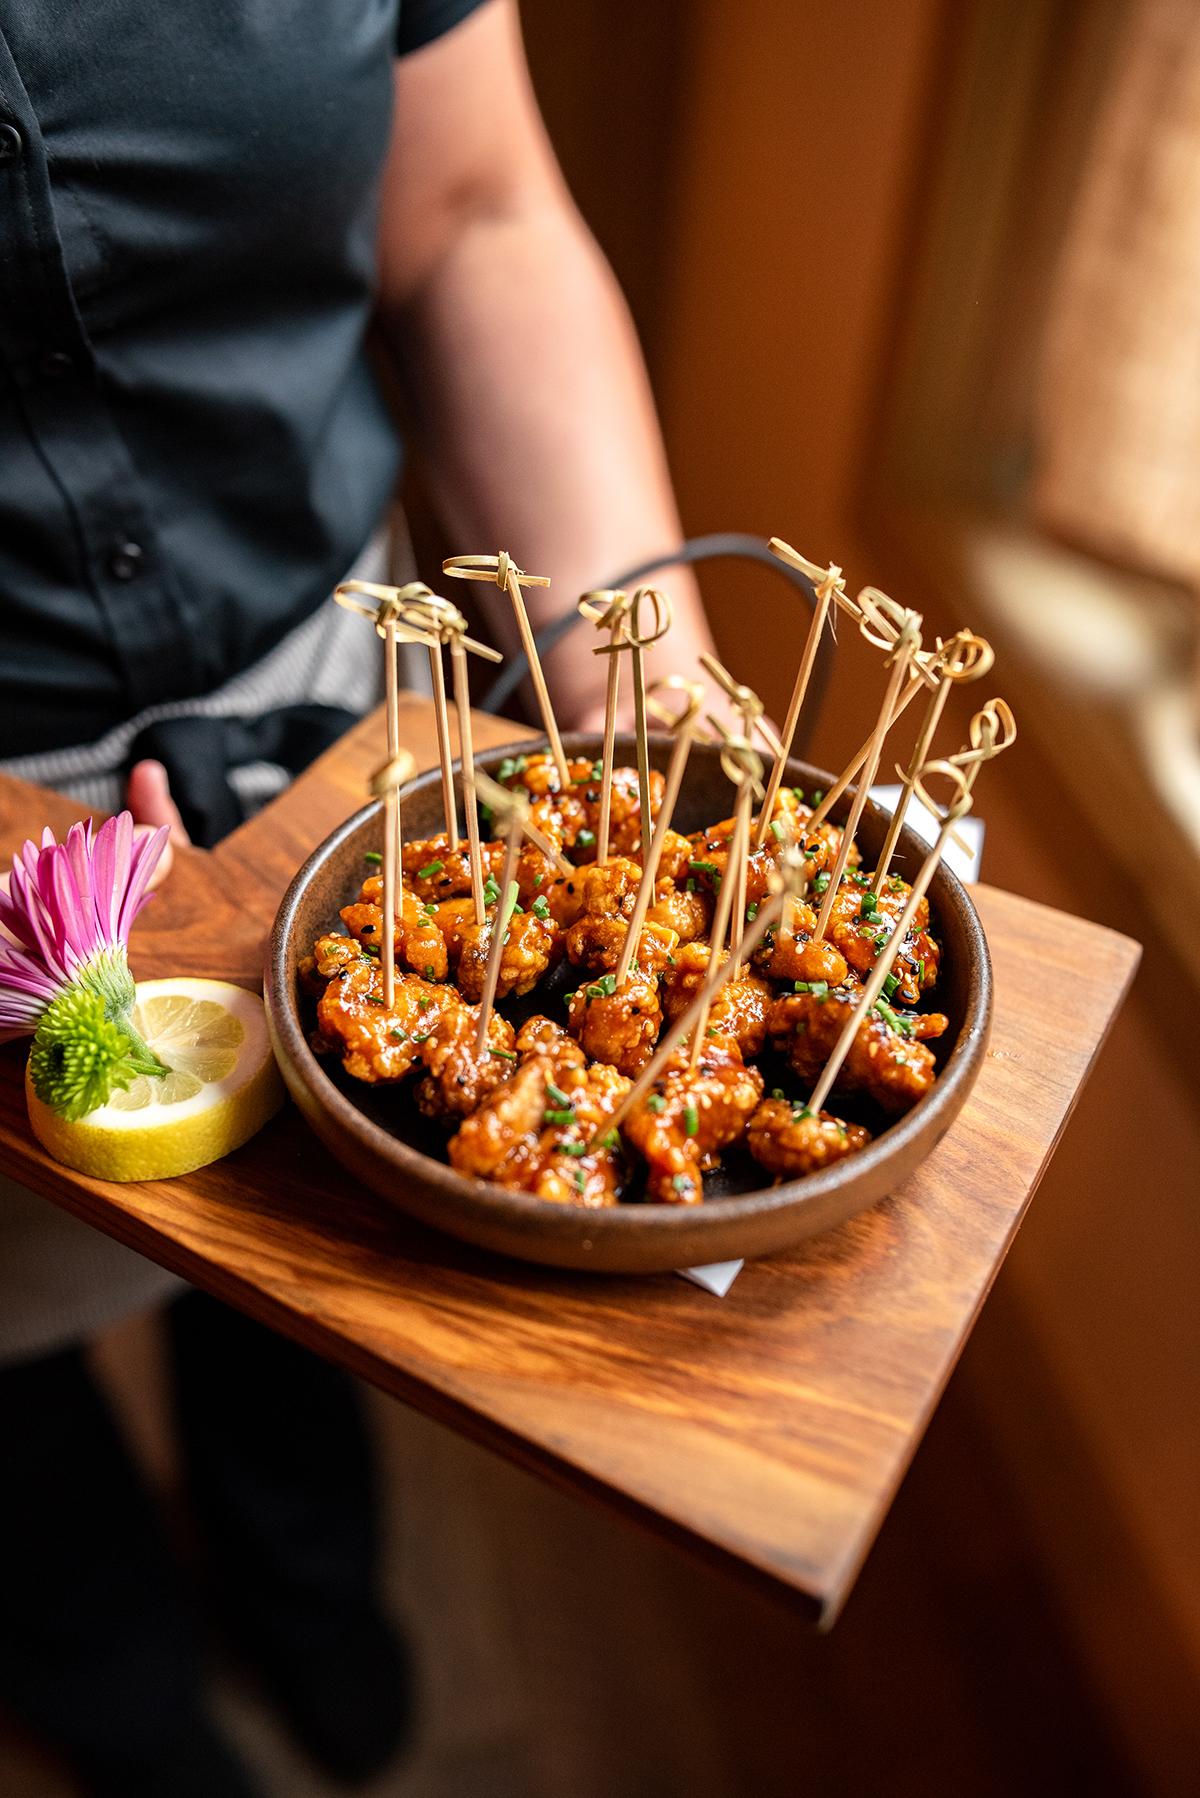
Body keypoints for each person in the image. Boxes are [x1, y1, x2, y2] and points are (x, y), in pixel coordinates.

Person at [0, 2, 716, 1792]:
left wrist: (647, 711)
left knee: (319, 1247)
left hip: (342, 705)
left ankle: (309, 1588)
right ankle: (117, 1687)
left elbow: (476, 213)